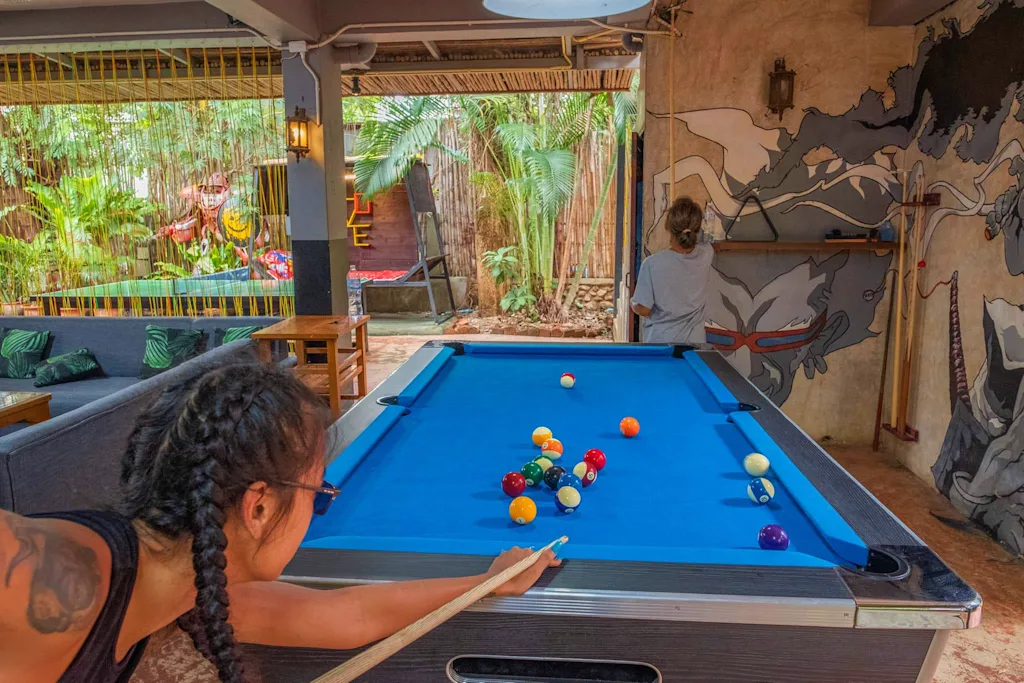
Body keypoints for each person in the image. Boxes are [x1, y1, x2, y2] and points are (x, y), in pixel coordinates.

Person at [0, 361, 559, 683]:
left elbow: (347, 614)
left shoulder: (193, 585)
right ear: (259, 508)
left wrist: (487, 582)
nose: (317, 508)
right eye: (318, 494)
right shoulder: (60, 578)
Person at [631, 196, 715, 344]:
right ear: (698, 227)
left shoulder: (652, 264)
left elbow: (644, 309)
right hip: (695, 343)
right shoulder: (707, 254)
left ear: (668, 226)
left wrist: (633, 304)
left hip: (661, 343)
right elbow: (704, 242)